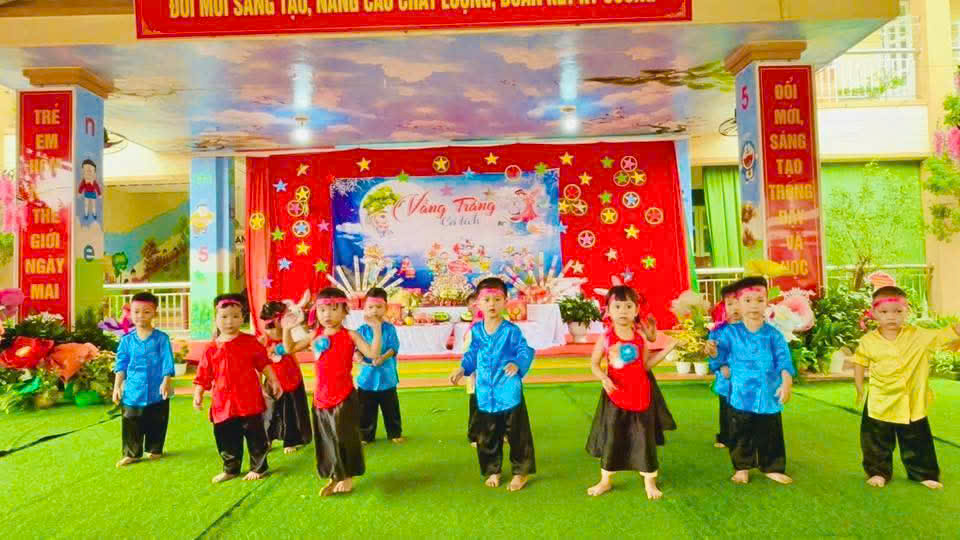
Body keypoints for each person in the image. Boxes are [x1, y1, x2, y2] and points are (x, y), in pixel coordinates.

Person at [853, 286, 960, 490]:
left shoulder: (919, 336)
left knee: (918, 438)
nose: (891, 317)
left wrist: (956, 330)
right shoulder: (868, 341)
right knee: (876, 439)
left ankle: (924, 473)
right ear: (874, 313)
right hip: (880, 399)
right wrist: (859, 388)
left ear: (907, 311)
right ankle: (878, 472)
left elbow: (943, 335)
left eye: (898, 311)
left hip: (912, 399)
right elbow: (860, 362)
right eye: (884, 312)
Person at [283, 287, 382, 496]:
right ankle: (335, 474)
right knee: (326, 438)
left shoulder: (350, 335)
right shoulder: (315, 335)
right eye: (322, 310)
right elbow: (290, 348)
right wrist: (286, 329)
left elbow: (373, 353)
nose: (327, 315)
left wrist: (377, 330)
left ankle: (348, 476)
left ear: (345, 311)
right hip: (321, 396)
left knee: (344, 436)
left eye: (333, 309)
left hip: (344, 395)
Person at [585, 286, 677, 499]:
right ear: (608, 311)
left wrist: (667, 349)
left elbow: (645, 365)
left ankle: (649, 482)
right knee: (612, 436)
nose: (623, 311)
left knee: (643, 437)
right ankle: (605, 480)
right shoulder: (606, 338)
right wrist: (603, 377)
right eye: (617, 306)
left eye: (628, 306)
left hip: (641, 395)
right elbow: (594, 364)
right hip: (615, 396)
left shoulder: (640, 337)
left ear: (636, 310)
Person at [449, 277, 535, 491]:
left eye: (497, 299)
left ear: (505, 302)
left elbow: (524, 350)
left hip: (508, 390)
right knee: (487, 434)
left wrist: (517, 363)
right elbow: (472, 354)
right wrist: (462, 369)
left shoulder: (511, 331)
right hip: (485, 391)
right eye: (486, 300)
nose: (492, 304)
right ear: (477, 303)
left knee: (517, 434)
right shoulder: (476, 331)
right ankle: (492, 469)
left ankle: (521, 472)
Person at [708, 276, 796, 485]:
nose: (754, 306)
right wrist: (713, 353)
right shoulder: (730, 333)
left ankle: (772, 466)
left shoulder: (774, 335)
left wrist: (786, 383)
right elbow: (719, 357)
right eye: (747, 300)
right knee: (741, 432)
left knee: (771, 432)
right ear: (738, 304)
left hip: (768, 394)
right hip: (741, 394)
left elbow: (784, 360)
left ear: (767, 303)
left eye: (759, 300)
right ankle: (742, 467)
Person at [193, 294, 283, 483]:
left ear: (242, 318)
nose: (229, 321)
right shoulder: (211, 348)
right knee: (225, 437)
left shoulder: (250, 342)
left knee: (255, 435)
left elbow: (263, 363)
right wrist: (198, 394)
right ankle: (231, 468)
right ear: (216, 319)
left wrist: (274, 380)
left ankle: (259, 467)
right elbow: (203, 375)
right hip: (223, 404)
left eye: (235, 316)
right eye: (224, 317)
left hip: (248, 400)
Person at [112, 292, 175, 468]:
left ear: (155, 313)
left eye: (146, 312)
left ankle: (155, 448)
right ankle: (131, 453)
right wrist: (117, 387)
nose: (141, 316)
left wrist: (166, 381)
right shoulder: (126, 340)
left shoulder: (161, 338)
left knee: (158, 419)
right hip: (133, 391)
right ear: (130, 313)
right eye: (136, 311)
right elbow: (121, 364)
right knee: (131, 420)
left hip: (157, 390)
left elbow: (167, 361)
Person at [259, 301, 312, 454]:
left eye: (274, 325)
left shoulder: (289, 335)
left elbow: (294, 350)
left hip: (291, 377)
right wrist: (260, 384)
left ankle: (292, 440)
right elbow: (258, 363)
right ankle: (267, 439)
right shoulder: (263, 340)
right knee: (269, 412)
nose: (271, 330)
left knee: (291, 411)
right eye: (268, 326)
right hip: (272, 379)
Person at [353, 288, 404, 444]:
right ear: (364, 309)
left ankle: (394, 433)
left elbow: (394, 347)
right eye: (370, 307)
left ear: (386, 308)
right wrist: (359, 357)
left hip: (387, 377)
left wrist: (383, 357)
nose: (374, 310)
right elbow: (356, 349)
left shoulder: (389, 328)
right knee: (365, 410)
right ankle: (365, 436)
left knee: (391, 408)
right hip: (366, 378)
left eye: (379, 307)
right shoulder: (361, 330)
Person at [709, 282, 743, 449]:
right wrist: (721, 366)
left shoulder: (753, 329)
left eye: (739, 303)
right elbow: (712, 355)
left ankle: (745, 438)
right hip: (726, 378)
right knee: (726, 408)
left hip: (747, 378)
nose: (735, 308)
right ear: (724, 307)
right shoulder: (718, 331)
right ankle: (725, 437)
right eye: (730, 304)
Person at [461, 291, 481, 447]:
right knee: (477, 405)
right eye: (472, 304)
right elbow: (468, 351)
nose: (476, 307)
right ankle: (474, 436)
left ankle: (499, 433)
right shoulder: (473, 328)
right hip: (477, 373)